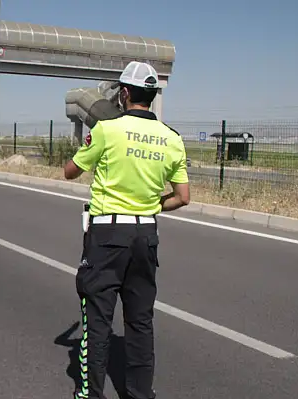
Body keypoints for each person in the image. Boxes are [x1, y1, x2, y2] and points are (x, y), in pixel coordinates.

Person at [63, 61, 190, 399]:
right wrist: (149, 207)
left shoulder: (108, 129)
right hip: (145, 237)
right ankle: (139, 394)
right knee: (140, 322)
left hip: (107, 237)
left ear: (124, 93)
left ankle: (90, 394)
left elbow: (70, 172)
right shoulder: (172, 139)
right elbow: (183, 197)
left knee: (98, 321)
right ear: (152, 95)